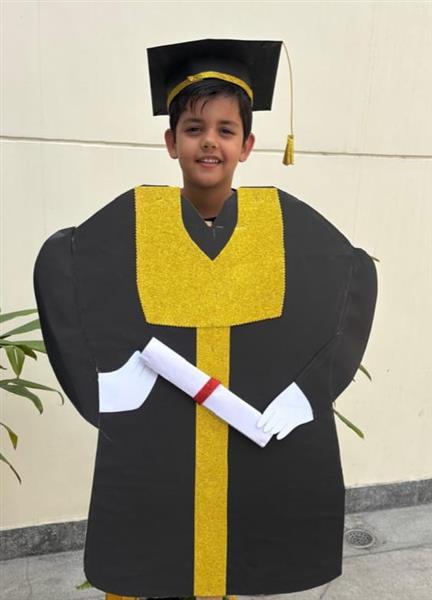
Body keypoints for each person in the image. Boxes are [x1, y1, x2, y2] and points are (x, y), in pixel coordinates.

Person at [33, 39, 377, 600]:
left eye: (225, 129)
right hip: (158, 455)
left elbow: (354, 281)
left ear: (247, 145)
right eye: (194, 129)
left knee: (232, 569)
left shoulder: (281, 225)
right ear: (171, 142)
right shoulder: (135, 222)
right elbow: (61, 267)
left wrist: (302, 395)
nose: (210, 141)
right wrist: (111, 386)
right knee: (151, 567)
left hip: (249, 457)